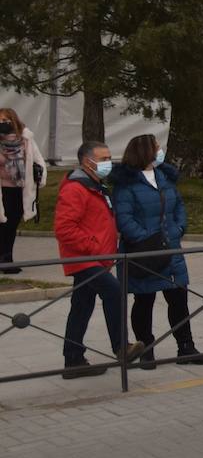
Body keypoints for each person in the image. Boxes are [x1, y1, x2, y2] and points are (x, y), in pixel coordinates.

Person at [111, 134, 203, 367]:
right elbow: (124, 219)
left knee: (178, 298)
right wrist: (147, 239)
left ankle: (186, 347)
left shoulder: (164, 176)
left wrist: (177, 229)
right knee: (144, 300)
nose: (160, 151)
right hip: (144, 251)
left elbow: (179, 207)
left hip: (171, 248)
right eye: (157, 148)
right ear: (145, 151)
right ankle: (145, 348)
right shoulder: (126, 183)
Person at [55, 141, 143, 377]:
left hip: (98, 257)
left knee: (82, 307)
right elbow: (64, 228)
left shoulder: (95, 185)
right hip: (84, 258)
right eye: (103, 159)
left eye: (108, 157)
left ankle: (73, 360)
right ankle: (121, 347)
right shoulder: (75, 188)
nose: (108, 163)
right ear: (87, 161)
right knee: (114, 291)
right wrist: (93, 247)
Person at [0, 108, 47, 273]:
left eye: (6, 120)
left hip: (19, 190)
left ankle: (7, 258)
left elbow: (37, 159)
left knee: (11, 225)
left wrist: (40, 176)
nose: (3, 124)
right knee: (1, 224)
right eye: (0, 121)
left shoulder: (25, 138)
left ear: (14, 121)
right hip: (1, 190)